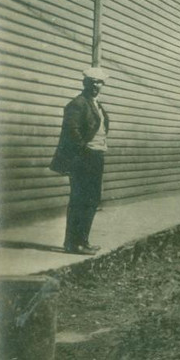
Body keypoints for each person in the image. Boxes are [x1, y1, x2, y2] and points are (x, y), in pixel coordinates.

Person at [50, 67, 110, 255]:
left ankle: (83, 241)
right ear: (85, 83)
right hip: (84, 158)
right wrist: (85, 151)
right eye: (92, 82)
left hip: (96, 156)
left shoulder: (96, 104)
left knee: (92, 200)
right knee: (80, 199)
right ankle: (72, 243)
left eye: (99, 82)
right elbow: (72, 132)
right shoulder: (77, 104)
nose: (96, 85)